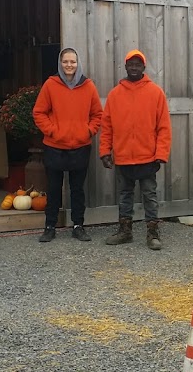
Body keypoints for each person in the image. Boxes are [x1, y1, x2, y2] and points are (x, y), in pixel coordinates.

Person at [100, 49, 171, 250]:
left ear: (143, 67)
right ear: (125, 66)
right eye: (130, 64)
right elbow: (107, 127)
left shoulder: (156, 92)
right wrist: (105, 151)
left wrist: (161, 154)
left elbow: (164, 127)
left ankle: (153, 234)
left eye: (137, 64)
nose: (134, 67)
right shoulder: (115, 94)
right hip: (123, 158)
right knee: (124, 195)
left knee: (150, 195)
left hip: (148, 157)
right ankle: (125, 232)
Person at [32, 47, 103, 243]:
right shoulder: (50, 85)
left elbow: (97, 114)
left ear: (78, 64)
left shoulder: (88, 86)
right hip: (54, 146)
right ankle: (50, 226)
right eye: (65, 62)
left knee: (77, 189)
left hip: (80, 146)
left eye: (72, 62)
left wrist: (87, 131)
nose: (69, 65)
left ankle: (78, 226)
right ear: (60, 63)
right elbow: (39, 112)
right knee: (54, 188)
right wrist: (53, 131)